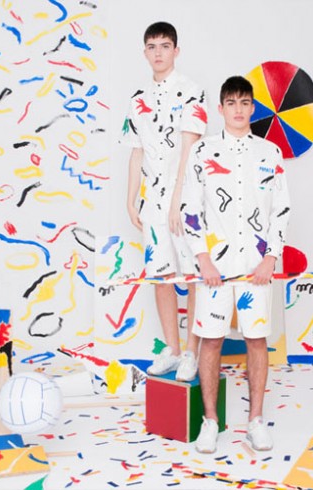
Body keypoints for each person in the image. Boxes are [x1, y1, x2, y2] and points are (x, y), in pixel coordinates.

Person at [181, 76, 290, 453]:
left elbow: (281, 209)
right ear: (221, 108)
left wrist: (271, 257)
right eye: (232, 103)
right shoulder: (203, 152)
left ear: (253, 108)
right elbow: (190, 208)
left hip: (256, 270)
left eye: (245, 102)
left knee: (256, 341)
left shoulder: (270, 153)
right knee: (210, 341)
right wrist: (203, 258)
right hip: (214, 270)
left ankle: (255, 421)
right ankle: (210, 421)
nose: (239, 109)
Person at [120, 22, 208, 381]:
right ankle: (171, 349)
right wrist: (131, 200)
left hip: (185, 199)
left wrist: (177, 203)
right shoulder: (137, 99)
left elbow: (190, 150)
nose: (158, 52)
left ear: (176, 50)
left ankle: (191, 352)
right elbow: (136, 152)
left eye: (165, 45)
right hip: (152, 201)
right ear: (145, 52)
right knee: (160, 276)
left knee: (193, 275)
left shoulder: (192, 92)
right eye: (152, 46)